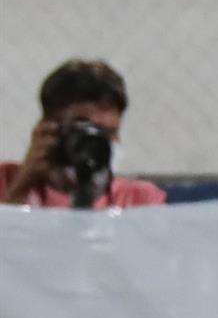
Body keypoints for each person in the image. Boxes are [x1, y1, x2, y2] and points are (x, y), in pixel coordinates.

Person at [3, 60, 165, 208]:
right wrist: (21, 186)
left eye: (108, 133)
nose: (98, 142)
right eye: (86, 130)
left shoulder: (141, 199)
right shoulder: (6, 181)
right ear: (47, 128)